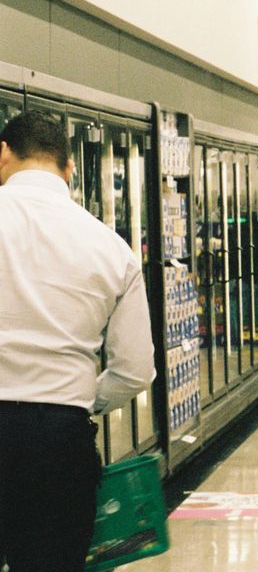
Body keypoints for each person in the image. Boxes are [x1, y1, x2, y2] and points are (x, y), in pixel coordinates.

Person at [0, 111, 156, 572]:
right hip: (59, 442)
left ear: (3, 153)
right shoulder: (111, 247)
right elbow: (134, 370)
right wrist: (79, 402)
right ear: (70, 169)